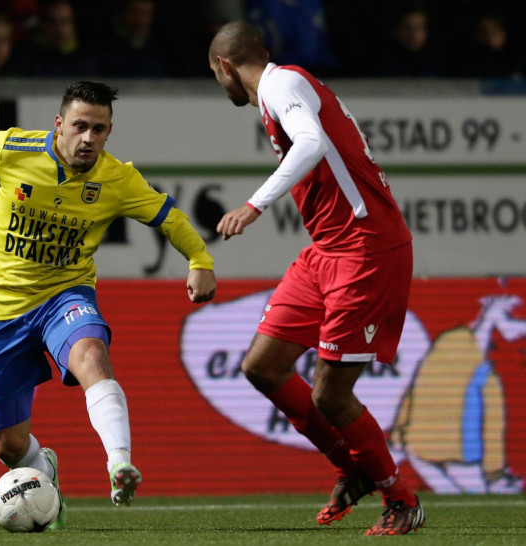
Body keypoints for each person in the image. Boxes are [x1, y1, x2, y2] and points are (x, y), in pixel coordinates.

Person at [0, 81, 217, 528]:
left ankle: (119, 464)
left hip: (65, 294)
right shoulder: (14, 148)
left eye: (99, 129)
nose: (89, 138)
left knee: (91, 354)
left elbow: (168, 217)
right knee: (8, 445)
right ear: (58, 124)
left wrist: (200, 260)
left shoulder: (117, 178)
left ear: (109, 132)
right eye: (80, 126)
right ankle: (43, 465)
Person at [208, 21, 423, 536]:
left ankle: (402, 499)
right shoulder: (281, 93)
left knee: (331, 394)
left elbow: (309, 143)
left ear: (225, 67)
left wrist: (254, 205)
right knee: (263, 366)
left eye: (217, 77)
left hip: (365, 248)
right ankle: (354, 466)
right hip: (327, 251)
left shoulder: (282, 84)